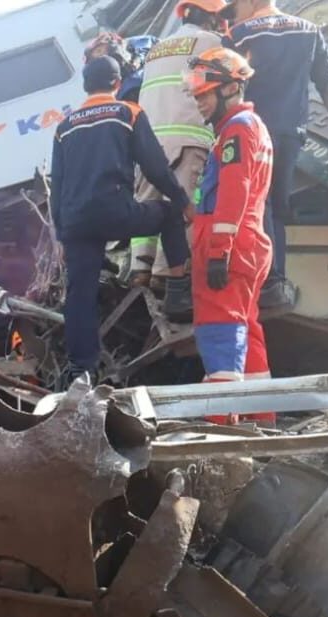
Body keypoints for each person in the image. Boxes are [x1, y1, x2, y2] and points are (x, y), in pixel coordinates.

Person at [51, 56, 193, 385]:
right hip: (116, 212)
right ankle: (179, 292)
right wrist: (182, 200)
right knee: (168, 214)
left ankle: (80, 369)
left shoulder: (65, 126)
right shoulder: (128, 112)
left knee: (79, 295)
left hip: (76, 223)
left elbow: (57, 184)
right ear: (117, 83)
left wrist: (62, 234)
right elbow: (155, 165)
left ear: (86, 86)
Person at [185, 48, 277, 426]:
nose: (200, 103)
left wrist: (218, 250)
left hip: (231, 244)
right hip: (248, 242)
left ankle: (221, 426)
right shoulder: (247, 128)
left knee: (220, 330)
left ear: (228, 89)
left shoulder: (238, 129)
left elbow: (234, 190)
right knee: (246, 330)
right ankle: (263, 417)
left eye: (205, 94)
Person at [225, 0, 328, 308]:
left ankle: (268, 280)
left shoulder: (239, 35)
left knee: (258, 204)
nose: (235, 10)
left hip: (252, 131)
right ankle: (278, 280)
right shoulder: (309, 31)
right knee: (277, 208)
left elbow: (226, 87)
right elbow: (326, 84)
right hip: (291, 133)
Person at [129, 0, 227, 288]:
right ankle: (166, 272)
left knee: (147, 202)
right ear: (212, 18)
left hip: (148, 140)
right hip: (187, 135)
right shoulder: (211, 41)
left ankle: (139, 266)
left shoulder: (156, 48)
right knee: (184, 204)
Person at [85, 32, 143, 102]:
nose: (101, 58)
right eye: (95, 60)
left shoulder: (143, 47)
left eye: (99, 51)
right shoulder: (118, 95)